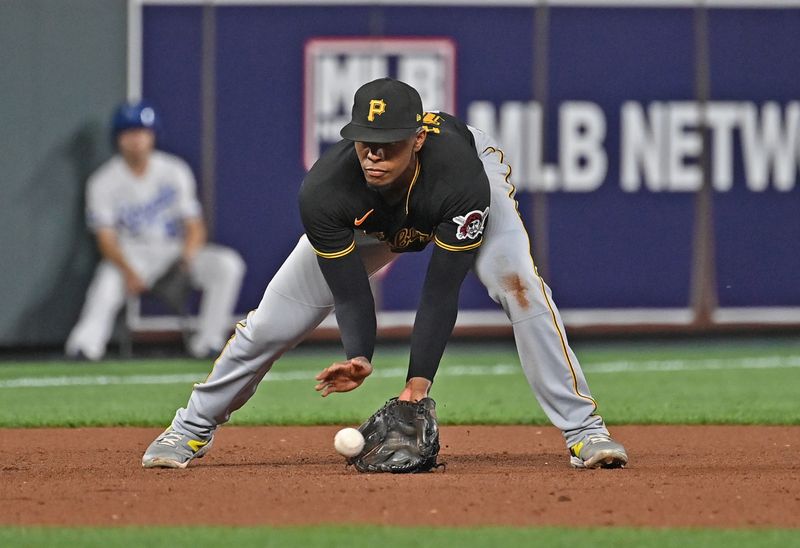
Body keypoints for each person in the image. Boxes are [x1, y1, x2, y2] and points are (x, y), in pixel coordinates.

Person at [142, 78, 628, 470]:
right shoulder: (325, 192)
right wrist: (359, 355)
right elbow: (350, 291)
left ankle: (584, 430)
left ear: (417, 140)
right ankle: (189, 428)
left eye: (388, 145)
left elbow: (440, 290)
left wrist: (417, 385)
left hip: (455, 190)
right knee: (271, 321)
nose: (374, 155)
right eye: (364, 143)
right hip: (371, 219)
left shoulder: (458, 178)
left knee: (519, 288)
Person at [65, 100, 246, 361]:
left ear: (152, 135)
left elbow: (194, 225)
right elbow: (105, 239)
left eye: (142, 132)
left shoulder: (174, 170)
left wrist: (186, 257)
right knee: (107, 282)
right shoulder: (103, 181)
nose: (136, 139)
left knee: (227, 264)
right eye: (129, 133)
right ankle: (84, 346)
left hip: (173, 252)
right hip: (130, 255)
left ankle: (209, 342)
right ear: (118, 138)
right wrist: (128, 271)